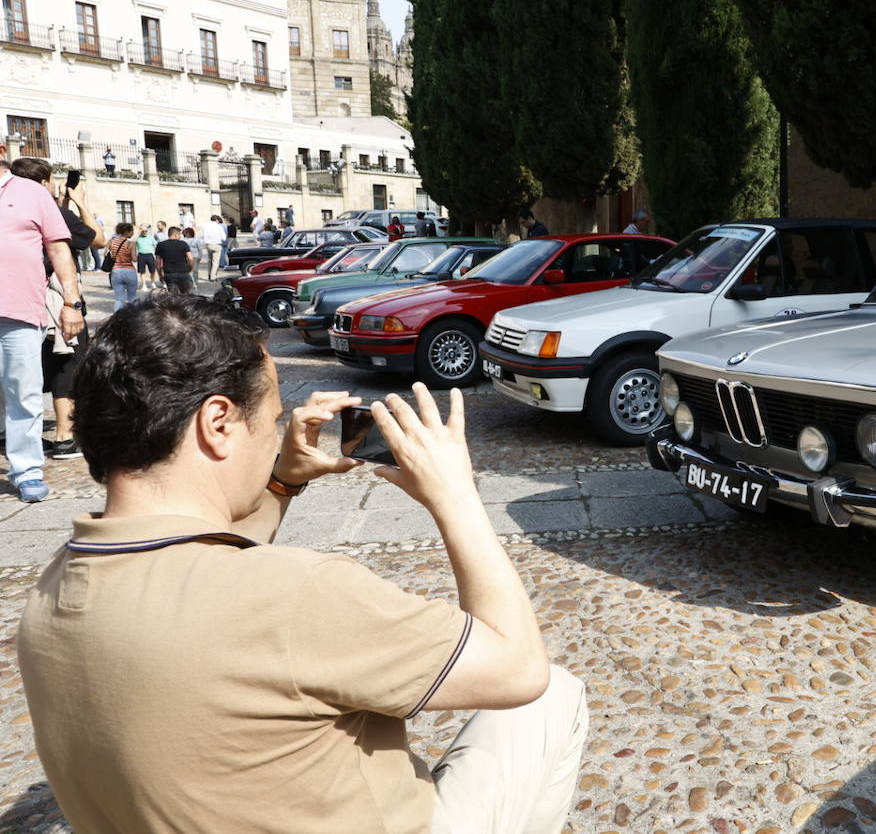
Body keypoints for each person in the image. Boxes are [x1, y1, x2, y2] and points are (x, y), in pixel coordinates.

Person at [17, 293, 587, 832]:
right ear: (218, 424)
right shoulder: (298, 594)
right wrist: (456, 495)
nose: (275, 436)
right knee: (556, 694)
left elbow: (207, 570)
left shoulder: (51, 591)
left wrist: (281, 482)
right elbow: (517, 669)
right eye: (269, 421)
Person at [9, 158, 105, 462]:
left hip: (21, 299)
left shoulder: (12, 206)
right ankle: (65, 436)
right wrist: (79, 203)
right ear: (43, 183)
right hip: (57, 300)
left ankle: (17, 436)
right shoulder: (53, 210)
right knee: (69, 363)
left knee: (28, 370)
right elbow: (98, 239)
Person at [0, 157, 82, 502]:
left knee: (24, 392)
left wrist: (71, 302)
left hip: (17, 309)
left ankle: (27, 470)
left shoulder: (31, 192)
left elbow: (58, 248)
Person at [154, 225, 195, 294]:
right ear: (176, 235)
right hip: (183, 273)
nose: (180, 237)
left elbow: (158, 263)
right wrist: (189, 269)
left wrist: (160, 275)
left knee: (173, 297)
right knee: (188, 295)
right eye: (179, 235)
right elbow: (190, 259)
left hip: (169, 274)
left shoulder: (160, 245)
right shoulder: (183, 244)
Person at [106, 223, 137, 311]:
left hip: (116, 270)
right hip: (129, 271)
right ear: (127, 232)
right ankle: (133, 316)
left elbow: (107, 254)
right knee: (132, 297)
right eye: (132, 231)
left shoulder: (112, 241)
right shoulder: (131, 243)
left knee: (119, 299)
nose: (133, 233)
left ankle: (118, 316)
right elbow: (134, 259)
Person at [202, 214, 227, 281]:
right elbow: (224, 238)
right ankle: (213, 276)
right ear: (217, 220)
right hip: (216, 244)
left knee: (210, 260)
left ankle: (209, 275)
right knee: (215, 262)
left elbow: (202, 235)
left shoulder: (205, 225)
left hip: (208, 244)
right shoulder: (218, 226)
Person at [134, 225, 158, 291]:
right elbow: (133, 243)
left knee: (152, 270)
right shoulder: (138, 238)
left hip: (150, 255)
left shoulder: (150, 237)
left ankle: (152, 282)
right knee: (142, 271)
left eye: (146, 231)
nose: (144, 232)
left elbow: (156, 245)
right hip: (141, 255)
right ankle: (144, 284)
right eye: (143, 231)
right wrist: (138, 233)